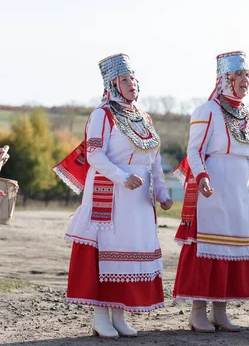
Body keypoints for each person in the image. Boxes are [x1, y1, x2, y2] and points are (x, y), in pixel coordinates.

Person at [172, 51, 249, 333]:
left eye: (247, 75)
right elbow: (194, 150)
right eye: (239, 75)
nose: (245, 80)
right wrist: (201, 176)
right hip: (214, 189)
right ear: (225, 79)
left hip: (242, 192)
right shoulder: (207, 111)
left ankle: (221, 311)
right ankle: (198, 311)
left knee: (232, 249)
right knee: (210, 247)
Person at [53, 53, 173, 338]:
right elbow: (94, 154)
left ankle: (118, 314)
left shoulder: (144, 118)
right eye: (124, 79)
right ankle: (99, 316)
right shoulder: (102, 115)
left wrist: (164, 193)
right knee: (106, 251)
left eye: (133, 78)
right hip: (111, 193)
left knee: (129, 253)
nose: (131, 83)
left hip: (139, 198)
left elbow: (153, 160)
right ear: (112, 84)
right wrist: (121, 177)